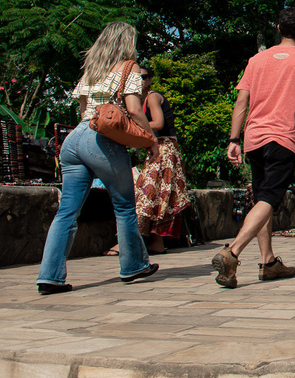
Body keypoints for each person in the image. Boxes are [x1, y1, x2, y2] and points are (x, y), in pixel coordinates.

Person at [36, 22, 159, 294]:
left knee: (67, 211)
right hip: (102, 142)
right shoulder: (131, 69)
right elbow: (135, 111)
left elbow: (83, 110)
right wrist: (151, 141)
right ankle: (133, 266)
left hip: (75, 139)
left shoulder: (91, 71)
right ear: (128, 42)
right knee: (125, 207)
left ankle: (49, 276)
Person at [212, 7, 295, 289]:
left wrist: (233, 140)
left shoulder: (257, 60)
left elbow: (241, 102)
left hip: (253, 139)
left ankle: (268, 261)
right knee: (269, 199)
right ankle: (232, 252)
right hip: (282, 139)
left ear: (277, 27)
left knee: (262, 197)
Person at [130, 66, 192, 254]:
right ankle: (156, 243)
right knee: (157, 195)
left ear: (149, 80)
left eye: (144, 77)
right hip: (157, 148)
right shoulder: (137, 102)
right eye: (137, 77)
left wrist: (130, 126)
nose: (140, 81)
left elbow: (158, 123)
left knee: (148, 193)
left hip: (165, 148)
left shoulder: (152, 97)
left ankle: (132, 242)